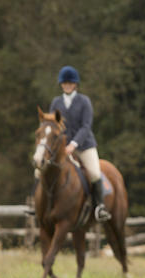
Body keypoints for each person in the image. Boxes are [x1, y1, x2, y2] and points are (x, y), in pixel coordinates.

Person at [48, 65, 110, 222]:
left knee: (95, 173)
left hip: (84, 146)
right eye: (65, 83)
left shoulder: (84, 101)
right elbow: (53, 125)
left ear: (75, 84)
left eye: (70, 83)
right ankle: (39, 205)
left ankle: (100, 207)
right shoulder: (56, 102)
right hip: (61, 147)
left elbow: (86, 126)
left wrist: (74, 144)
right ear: (61, 84)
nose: (67, 85)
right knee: (41, 168)